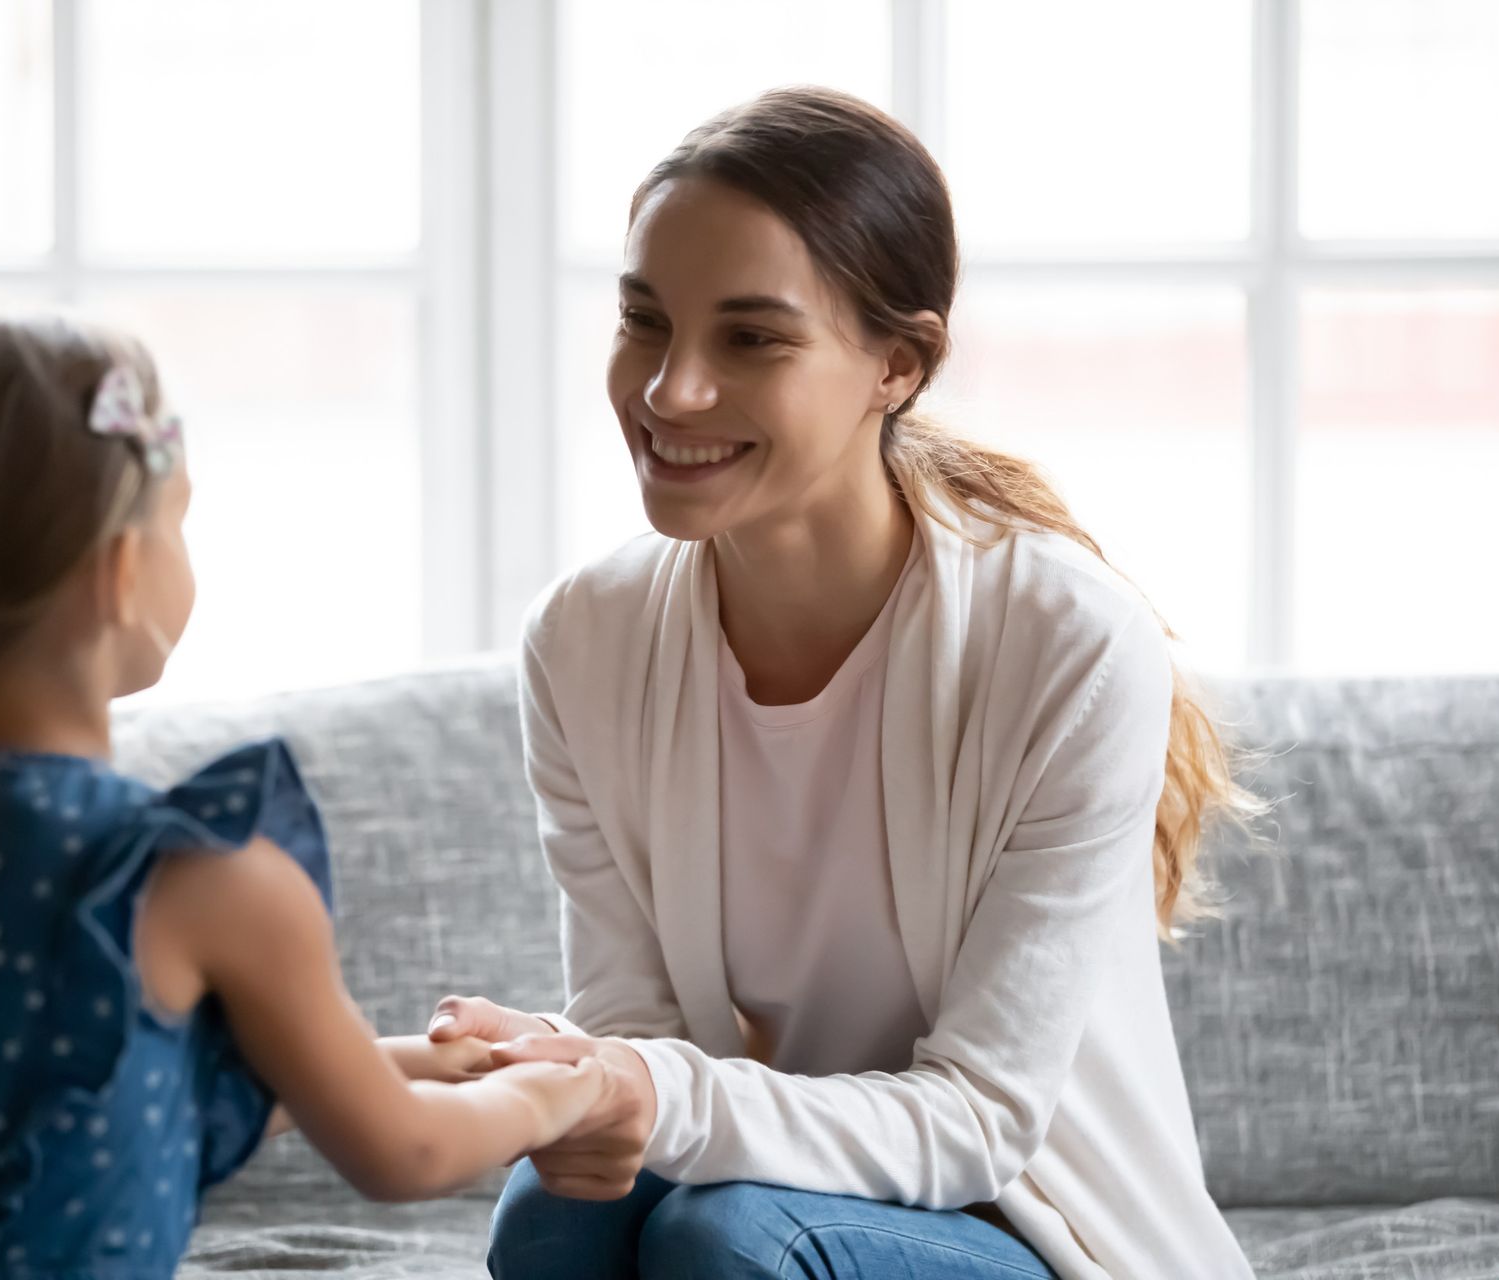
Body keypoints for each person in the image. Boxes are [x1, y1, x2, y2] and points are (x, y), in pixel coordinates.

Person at [430, 88, 1258, 1279]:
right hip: (758, 1184)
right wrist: (568, 1074)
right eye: (644, 320)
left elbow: (976, 1121)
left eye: (750, 337)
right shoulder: (584, 639)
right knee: (553, 1213)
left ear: (897, 365)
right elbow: (639, 1040)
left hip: (1026, 1218)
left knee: (728, 1241)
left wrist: (637, 1085)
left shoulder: (1065, 646)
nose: (669, 391)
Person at [0, 315, 605, 1280]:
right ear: (123, 573)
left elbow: (102, 1091)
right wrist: (563, 1097)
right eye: (178, 517)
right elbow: (408, 1152)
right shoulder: (199, 877)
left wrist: (421, 1060)